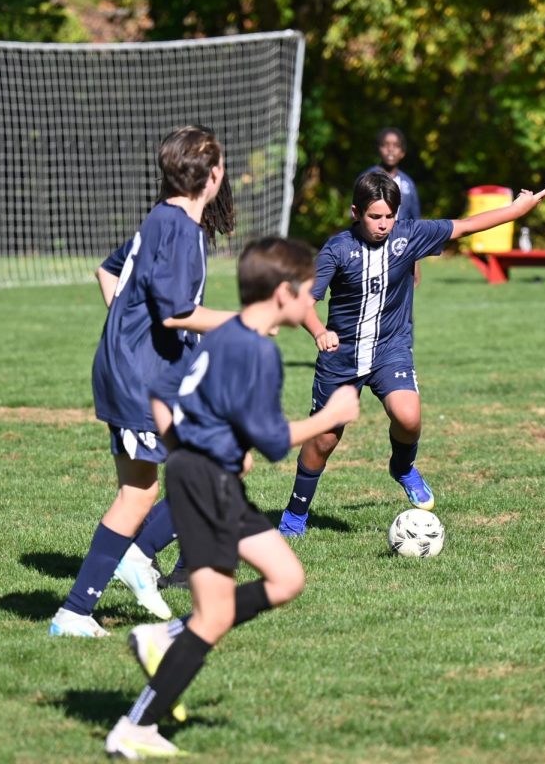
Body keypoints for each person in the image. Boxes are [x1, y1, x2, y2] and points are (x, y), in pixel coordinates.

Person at [104, 238, 361, 758]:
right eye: (309, 292)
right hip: (206, 484)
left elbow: (162, 392)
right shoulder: (260, 351)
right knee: (214, 616)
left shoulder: (224, 335)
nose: (312, 300)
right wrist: (331, 416)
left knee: (287, 578)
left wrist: (188, 448)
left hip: (212, 478)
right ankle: (136, 726)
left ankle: (166, 637)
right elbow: (270, 440)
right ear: (284, 293)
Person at [276, 172, 545, 537]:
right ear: (356, 212)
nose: (384, 224)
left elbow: (466, 226)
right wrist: (319, 331)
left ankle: (403, 467)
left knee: (408, 417)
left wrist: (517, 210)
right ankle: (295, 515)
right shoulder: (337, 249)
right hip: (342, 358)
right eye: (375, 217)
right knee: (324, 439)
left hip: (390, 349)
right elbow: (306, 300)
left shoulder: (408, 235)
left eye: (389, 216)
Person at [50, 126, 238, 638]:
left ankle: (131, 559)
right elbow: (177, 313)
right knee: (143, 493)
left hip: (140, 371)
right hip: (141, 380)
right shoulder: (179, 230)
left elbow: (108, 273)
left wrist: (127, 327)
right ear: (215, 175)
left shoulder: (162, 218)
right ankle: (77, 608)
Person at [361, 127, 421, 221]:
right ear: (378, 149)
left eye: (396, 145)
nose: (390, 149)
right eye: (386, 145)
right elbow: (356, 215)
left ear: (402, 153)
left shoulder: (408, 183)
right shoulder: (367, 178)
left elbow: (416, 219)